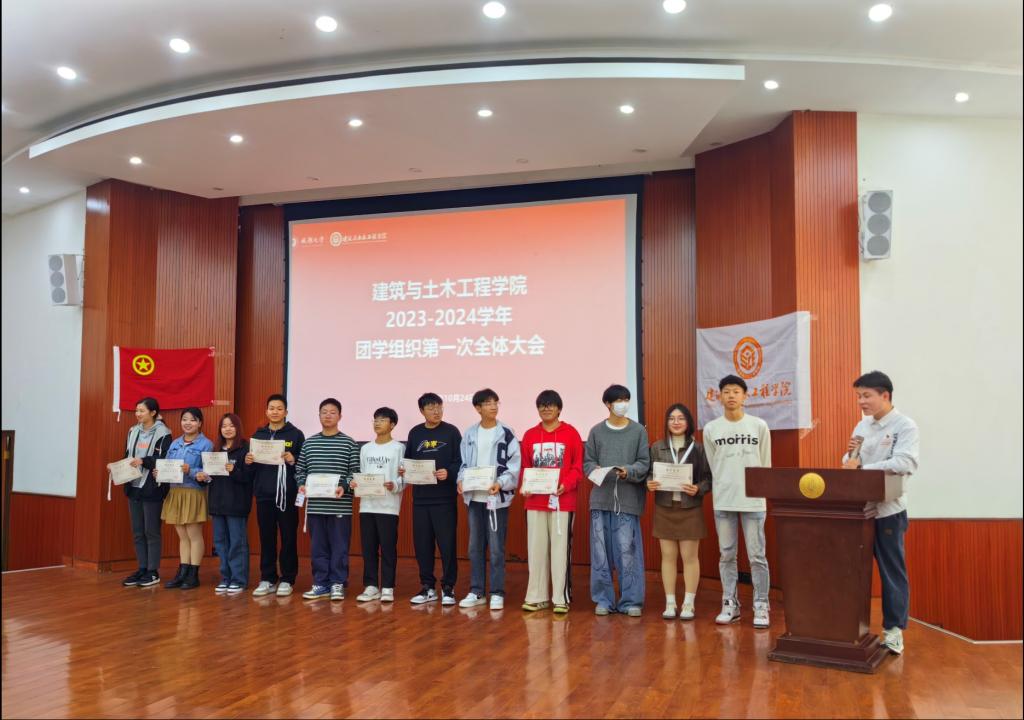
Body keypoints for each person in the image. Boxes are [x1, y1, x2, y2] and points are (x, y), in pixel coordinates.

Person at [842, 370, 919, 655]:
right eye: (858, 396)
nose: (861, 402)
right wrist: (851, 457)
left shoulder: (904, 426)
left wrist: (861, 468)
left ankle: (894, 631)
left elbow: (905, 462)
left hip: (889, 511)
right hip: (860, 511)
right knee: (854, 571)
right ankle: (850, 626)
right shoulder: (862, 426)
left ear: (885, 395)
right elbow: (850, 462)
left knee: (891, 572)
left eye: (866, 396)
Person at [702, 374, 772, 627]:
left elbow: (765, 464)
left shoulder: (759, 426)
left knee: (757, 556)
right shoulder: (711, 429)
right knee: (726, 555)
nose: (731, 395)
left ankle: (761, 605)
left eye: (736, 391)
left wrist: (761, 492)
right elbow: (714, 465)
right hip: (724, 500)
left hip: (753, 501)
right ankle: (730, 603)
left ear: (745, 396)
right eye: (726, 391)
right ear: (719, 397)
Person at [583, 384, 651, 616]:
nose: (623, 404)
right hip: (600, 500)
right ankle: (603, 600)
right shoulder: (596, 431)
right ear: (607, 404)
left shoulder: (638, 431)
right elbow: (588, 463)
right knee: (600, 553)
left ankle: (631, 601)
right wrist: (597, 470)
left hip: (627, 500)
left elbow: (644, 462)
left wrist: (628, 471)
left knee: (627, 551)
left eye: (626, 399)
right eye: (618, 400)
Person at [519, 389, 583, 614]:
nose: (546, 409)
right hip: (534, 502)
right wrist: (525, 485)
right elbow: (525, 467)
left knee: (560, 550)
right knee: (536, 550)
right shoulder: (530, 435)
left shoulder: (571, 433)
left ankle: (560, 597)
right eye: (542, 405)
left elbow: (577, 467)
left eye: (550, 405)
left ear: (559, 409)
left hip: (562, 502)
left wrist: (566, 484)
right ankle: (537, 597)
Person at [457, 388, 521, 611]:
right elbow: (464, 464)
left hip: (496, 498)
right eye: (488, 403)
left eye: (496, 402)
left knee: (496, 548)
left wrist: (501, 483)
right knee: (474, 547)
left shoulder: (506, 433)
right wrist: (461, 480)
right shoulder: (469, 434)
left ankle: (496, 592)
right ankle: (477, 591)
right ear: (478, 408)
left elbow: (514, 465)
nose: (493, 406)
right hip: (474, 497)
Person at [647, 403, 711, 620]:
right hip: (665, 507)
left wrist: (698, 488)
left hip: (690, 508)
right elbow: (649, 473)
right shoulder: (657, 447)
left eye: (681, 418)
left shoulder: (698, 448)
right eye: (672, 418)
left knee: (690, 557)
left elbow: (708, 478)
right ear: (667, 422)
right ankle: (670, 603)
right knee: (667, 557)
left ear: (688, 422)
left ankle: (689, 604)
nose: (676, 422)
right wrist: (649, 483)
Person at [295, 398, 360, 601]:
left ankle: (338, 583)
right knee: (318, 548)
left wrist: (344, 486)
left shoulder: (349, 443)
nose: (328, 415)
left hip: (340, 506)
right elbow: (300, 470)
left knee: (339, 547)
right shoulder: (309, 443)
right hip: (315, 506)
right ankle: (320, 583)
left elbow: (355, 472)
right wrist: (302, 484)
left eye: (332, 412)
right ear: (319, 415)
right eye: (324, 412)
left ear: (340, 416)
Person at [402, 393, 462, 606]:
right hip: (420, 499)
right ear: (421, 411)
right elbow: (408, 461)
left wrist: (450, 472)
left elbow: (460, 461)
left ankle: (448, 587)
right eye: (430, 408)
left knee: (447, 546)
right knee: (422, 546)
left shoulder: (452, 432)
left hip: (444, 499)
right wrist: (404, 470)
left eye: (439, 407)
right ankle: (427, 586)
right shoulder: (415, 432)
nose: (436, 411)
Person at [246, 394, 305, 598]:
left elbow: (304, 464)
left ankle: (287, 578)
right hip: (264, 494)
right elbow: (251, 470)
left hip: (287, 495)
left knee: (288, 537)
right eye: (272, 408)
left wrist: (293, 459)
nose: (275, 412)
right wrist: (249, 461)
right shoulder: (259, 435)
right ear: (266, 411)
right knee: (266, 537)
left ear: (286, 412)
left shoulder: (295, 434)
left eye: (279, 408)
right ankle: (268, 578)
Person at [158, 407, 214, 590]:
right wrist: (160, 473)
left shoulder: (206, 444)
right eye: (185, 419)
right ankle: (182, 572)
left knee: (194, 535)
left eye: (192, 420)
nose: (188, 423)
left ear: (200, 423)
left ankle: (193, 574)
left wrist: (191, 470)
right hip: (175, 492)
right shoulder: (175, 443)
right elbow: (167, 465)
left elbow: (210, 472)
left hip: (193, 492)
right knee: (182, 536)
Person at [121, 397, 172, 588]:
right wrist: (117, 468)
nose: (138, 414)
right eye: (136, 410)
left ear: (153, 412)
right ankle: (142, 568)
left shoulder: (164, 433)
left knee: (151, 531)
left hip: (152, 487)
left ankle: (153, 571)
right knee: (138, 532)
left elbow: (164, 459)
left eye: (141, 411)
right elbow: (127, 456)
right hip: (133, 485)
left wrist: (144, 461)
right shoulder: (132, 431)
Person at [355, 407, 405, 603]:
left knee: (388, 548)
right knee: (368, 548)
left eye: (383, 420)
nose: (377, 423)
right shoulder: (366, 448)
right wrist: (357, 483)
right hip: (367, 505)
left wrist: (395, 485)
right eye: (375, 419)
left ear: (392, 425)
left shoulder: (398, 448)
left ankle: (387, 587)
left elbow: (404, 476)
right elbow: (362, 472)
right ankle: (371, 586)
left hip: (388, 505)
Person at [208, 413, 252, 594]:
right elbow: (211, 477)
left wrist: (234, 470)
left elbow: (249, 477)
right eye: (224, 426)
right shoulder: (215, 450)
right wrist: (204, 476)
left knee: (237, 543)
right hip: (217, 503)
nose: (227, 429)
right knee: (220, 543)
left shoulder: (245, 449)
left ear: (237, 427)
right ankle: (225, 578)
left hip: (237, 504)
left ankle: (239, 580)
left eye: (231, 425)